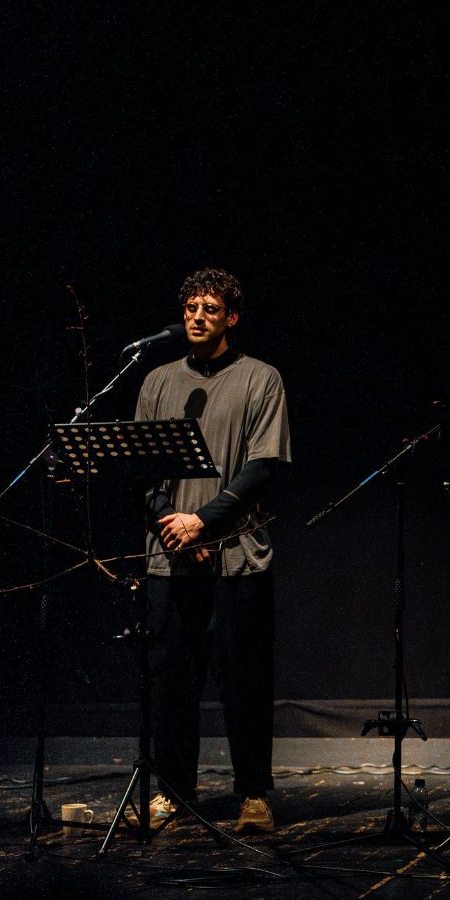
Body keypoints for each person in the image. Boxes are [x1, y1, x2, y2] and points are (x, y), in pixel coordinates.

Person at [134, 268, 291, 834]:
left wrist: (202, 522)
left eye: (210, 308)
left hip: (235, 555)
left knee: (244, 681)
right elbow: (143, 467)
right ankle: (173, 791)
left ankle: (253, 796)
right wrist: (172, 526)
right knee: (172, 680)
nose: (198, 317)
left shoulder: (260, 378)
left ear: (231, 318)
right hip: (170, 554)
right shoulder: (156, 381)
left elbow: (262, 466)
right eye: (191, 307)